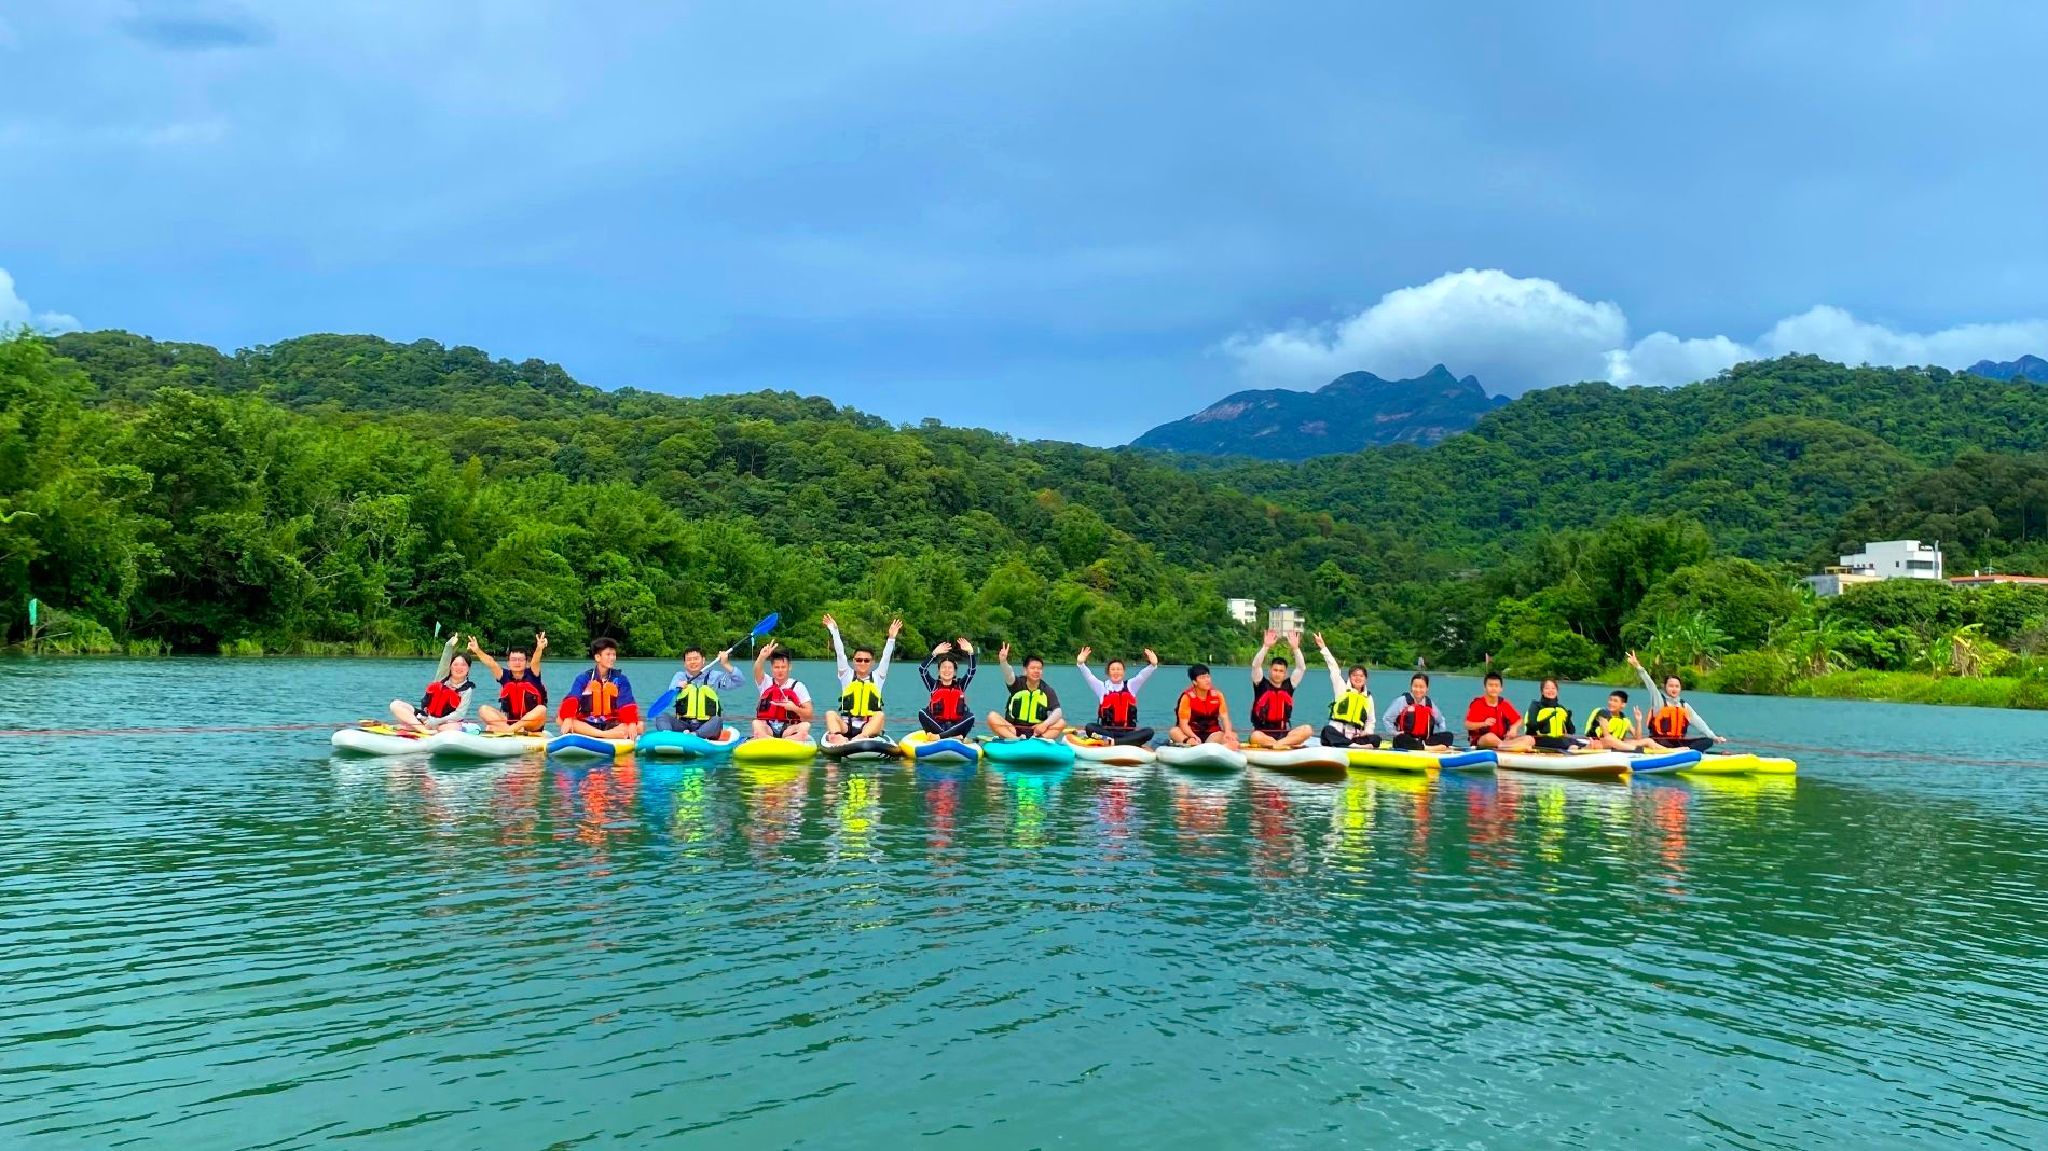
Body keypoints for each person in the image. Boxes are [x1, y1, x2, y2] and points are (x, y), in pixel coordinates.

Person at [823, 614, 900, 744]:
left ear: (872, 662)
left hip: (868, 726)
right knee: (830, 714)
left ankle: (861, 737)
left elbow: (886, 658)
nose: (862, 663)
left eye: (866, 660)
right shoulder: (846, 675)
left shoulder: (877, 677)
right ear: (853, 661)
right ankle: (837, 736)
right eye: (859, 660)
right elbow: (840, 653)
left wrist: (891, 638)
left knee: (880, 715)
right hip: (846, 725)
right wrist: (834, 631)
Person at [1628, 652, 1726, 751]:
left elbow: (1699, 722)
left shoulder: (1684, 705)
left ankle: (1686, 751)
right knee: (1662, 743)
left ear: (1680, 688)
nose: (1674, 689)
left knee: (1708, 741)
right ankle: (1684, 752)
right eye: (1670, 686)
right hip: (1660, 743)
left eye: (1677, 686)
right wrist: (1638, 666)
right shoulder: (1659, 701)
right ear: (1664, 687)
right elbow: (1650, 685)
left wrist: (1714, 737)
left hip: (1679, 744)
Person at [558, 636, 643, 739]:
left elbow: (627, 702)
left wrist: (632, 724)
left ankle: (599, 734)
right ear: (598, 657)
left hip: (612, 723)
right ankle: (605, 735)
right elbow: (573, 698)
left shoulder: (621, 680)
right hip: (588, 722)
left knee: (639, 725)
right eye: (608, 654)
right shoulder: (584, 678)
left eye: (614, 654)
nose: (612, 658)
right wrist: (568, 718)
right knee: (561, 719)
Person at [390, 632, 476, 734]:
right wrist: (448, 646)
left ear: (468, 668)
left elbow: (459, 714)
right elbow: (444, 662)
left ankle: (414, 727)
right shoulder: (442, 678)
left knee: (453, 728)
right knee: (395, 705)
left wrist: (436, 721)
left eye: (463, 665)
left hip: (445, 722)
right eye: (455, 664)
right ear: (450, 667)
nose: (459, 668)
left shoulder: (467, 690)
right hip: (426, 718)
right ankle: (423, 729)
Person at [652, 644, 744, 738]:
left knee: (717, 720)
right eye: (689, 660)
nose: (692, 662)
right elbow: (670, 692)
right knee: (662, 716)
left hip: (706, 724)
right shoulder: (680, 676)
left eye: (696, 658)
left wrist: (725, 664)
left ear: (703, 660)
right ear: (684, 663)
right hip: (683, 724)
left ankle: (695, 735)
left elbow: (739, 681)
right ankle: (667, 737)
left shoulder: (714, 676)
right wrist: (677, 687)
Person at [1076, 646, 1160, 745]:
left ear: (1123, 672)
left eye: (1119, 669)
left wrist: (1153, 664)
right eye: (1113, 669)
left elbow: (1142, 676)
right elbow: (1089, 677)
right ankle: (1124, 742)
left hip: (1128, 733)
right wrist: (1081, 664)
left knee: (1149, 732)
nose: (1116, 672)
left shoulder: (1131, 685)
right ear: (1108, 672)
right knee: (1090, 727)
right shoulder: (1102, 687)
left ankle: (1115, 742)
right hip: (1107, 732)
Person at [1247, 629, 1314, 748]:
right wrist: (1266, 646)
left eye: (1281, 671)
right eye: (1275, 670)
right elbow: (1256, 665)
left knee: (1307, 729)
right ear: (1270, 670)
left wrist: (1295, 649)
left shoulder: (1289, 686)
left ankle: (1278, 744)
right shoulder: (1260, 684)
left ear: (1285, 674)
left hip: (1283, 734)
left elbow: (1301, 668)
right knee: (1255, 736)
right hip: (1263, 734)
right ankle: (1282, 745)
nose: (1277, 673)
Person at [471, 632, 549, 734]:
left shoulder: (533, 674)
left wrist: (539, 648)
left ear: (526, 662)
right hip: (509, 722)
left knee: (541, 709)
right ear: (508, 663)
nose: (517, 662)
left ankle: (509, 729)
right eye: (513, 660)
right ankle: (511, 730)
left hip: (532, 725)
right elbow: (491, 663)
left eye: (521, 660)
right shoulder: (505, 676)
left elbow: (536, 660)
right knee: (483, 709)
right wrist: (477, 650)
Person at [1314, 632, 1378, 748]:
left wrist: (1367, 732)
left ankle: (1352, 744)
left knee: (1376, 739)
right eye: (1354, 675)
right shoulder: (1341, 688)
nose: (1358, 678)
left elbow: (1370, 721)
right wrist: (1323, 648)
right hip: (1338, 734)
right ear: (1349, 677)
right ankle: (1351, 746)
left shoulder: (1368, 698)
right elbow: (1333, 668)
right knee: (1327, 731)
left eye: (1361, 676)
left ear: (1365, 679)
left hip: (1355, 737)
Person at [987, 645, 1065, 739]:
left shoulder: (1047, 690)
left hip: (1037, 732)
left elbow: (1058, 711)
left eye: (1039, 668)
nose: (1036, 671)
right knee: (992, 716)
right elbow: (1009, 674)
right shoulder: (1017, 684)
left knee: (1061, 722)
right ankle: (1015, 740)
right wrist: (1003, 662)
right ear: (1025, 670)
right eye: (1032, 668)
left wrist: (1044, 724)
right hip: (1014, 730)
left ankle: (1038, 742)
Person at [752, 641, 815, 741]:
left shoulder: (798, 686)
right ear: (772, 668)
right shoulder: (765, 682)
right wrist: (762, 657)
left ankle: (782, 740)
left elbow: (810, 715)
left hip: (789, 728)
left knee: (805, 725)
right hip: (768, 727)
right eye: (777, 667)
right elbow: (757, 670)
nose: (780, 670)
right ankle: (770, 739)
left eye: (783, 667)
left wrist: (794, 708)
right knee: (756, 723)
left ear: (789, 667)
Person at [918, 638, 977, 738]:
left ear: (954, 672)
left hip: (956, 726)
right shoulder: (934, 686)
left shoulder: (960, 685)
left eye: (950, 668)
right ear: (939, 671)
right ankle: (951, 736)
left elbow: (972, 670)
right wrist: (934, 653)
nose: (947, 670)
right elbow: (922, 669)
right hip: (937, 726)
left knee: (971, 716)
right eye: (943, 667)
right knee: (922, 712)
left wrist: (970, 652)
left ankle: (941, 736)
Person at [1169, 664, 1237, 746]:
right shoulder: (1187, 697)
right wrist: (1193, 736)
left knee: (1233, 735)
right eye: (1202, 678)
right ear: (1194, 682)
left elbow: (1225, 717)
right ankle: (1189, 743)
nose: (1207, 680)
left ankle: (1212, 746)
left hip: (1212, 734)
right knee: (1174, 731)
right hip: (1191, 733)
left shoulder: (1218, 695)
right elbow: (1183, 724)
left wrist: (1228, 732)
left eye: (1208, 677)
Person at [1465, 671, 1535, 751]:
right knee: (1490, 737)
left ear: (1501, 688)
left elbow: (1519, 720)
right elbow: (1467, 725)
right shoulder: (1477, 704)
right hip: (1483, 741)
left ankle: (1508, 747)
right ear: (1485, 687)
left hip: (1504, 739)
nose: (1493, 688)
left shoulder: (1504, 704)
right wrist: (1484, 723)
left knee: (1530, 739)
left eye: (1496, 686)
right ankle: (1512, 747)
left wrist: (1514, 728)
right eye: (1490, 685)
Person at [1381, 673, 1453, 749]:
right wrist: (1395, 733)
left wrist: (1441, 732)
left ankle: (1424, 746)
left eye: (1421, 687)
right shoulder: (1402, 701)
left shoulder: (1429, 703)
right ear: (1411, 687)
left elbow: (1441, 721)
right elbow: (1387, 718)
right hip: (1407, 739)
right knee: (1400, 739)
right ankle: (1427, 748)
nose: (1418, 690)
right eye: (1415, 686)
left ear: (1427, 689)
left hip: (1424, 740)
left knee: (1448, 736)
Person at [1584, 690, 1658, 752]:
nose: (1611, 703)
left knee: (1648, 740)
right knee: (1610, 740)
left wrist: (1638, 721)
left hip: (1617, 745)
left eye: (1615, 701)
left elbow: (1638, 738)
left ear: (1623, 705)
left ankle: (1667, 752)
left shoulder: (1624, 719)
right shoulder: (1602, 713)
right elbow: (1607, 737)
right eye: (1610, 700)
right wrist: (1627, 745)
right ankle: (1638, 750)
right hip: (1595, 743)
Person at [1524, 678, 1579, 752]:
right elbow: (1531, 725)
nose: (1551, 690)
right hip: (1540, 739)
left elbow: (1571, 731)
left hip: (1559, 739)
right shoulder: (1536, 706)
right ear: (1542, 692)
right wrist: (1549, 717)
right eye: (1547, 688)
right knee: (1568, 744)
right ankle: (1572, 749)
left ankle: (1576, 748)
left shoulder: (1561, 708)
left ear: (1557, 691)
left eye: (1553, 688)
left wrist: (1568, 718)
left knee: (1578, 742)